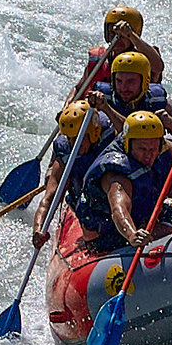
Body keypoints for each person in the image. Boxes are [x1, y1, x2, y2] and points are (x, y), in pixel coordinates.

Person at [76, 112, 172, 251]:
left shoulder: (162, 147)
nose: (148, 155)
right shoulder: (116, 173)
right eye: (142, 149)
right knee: (168, 231)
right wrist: (132, 234)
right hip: (112, 231)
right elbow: (119, 209)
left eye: (152, 149)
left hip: (143, 211)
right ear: (128, 144)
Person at [34, 102, 111, 246]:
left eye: (78, 138)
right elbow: (49, 197)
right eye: (70, 138)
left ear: (93, 133)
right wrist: (38, 230)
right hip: (86, 199)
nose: (73, 143)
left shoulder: (109, 134)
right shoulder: (65, 150)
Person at [99, 4, 165, 87]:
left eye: (123, 35)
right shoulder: (100, 59)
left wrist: (130, 34)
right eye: (113, 32)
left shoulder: (145, 58)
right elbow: (79, 87)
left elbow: (158, 67)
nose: (117, 38)